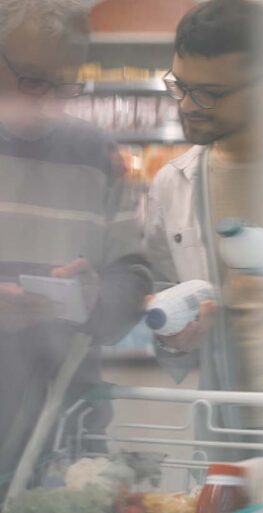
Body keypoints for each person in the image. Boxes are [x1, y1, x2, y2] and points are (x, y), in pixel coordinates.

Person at [0, 0, 151, 497]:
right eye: (31, 80)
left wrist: (96, 297)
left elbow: (133, 275)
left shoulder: (97, 155)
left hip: (66, 424)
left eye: (63, 83)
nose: (48, 100)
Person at [144, 0, 263, 434]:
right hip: (226, 425)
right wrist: (173, 339)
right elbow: (166, 303)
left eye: (211, 93)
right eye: (179, 86)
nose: (187, 105)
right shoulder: (171, 185)